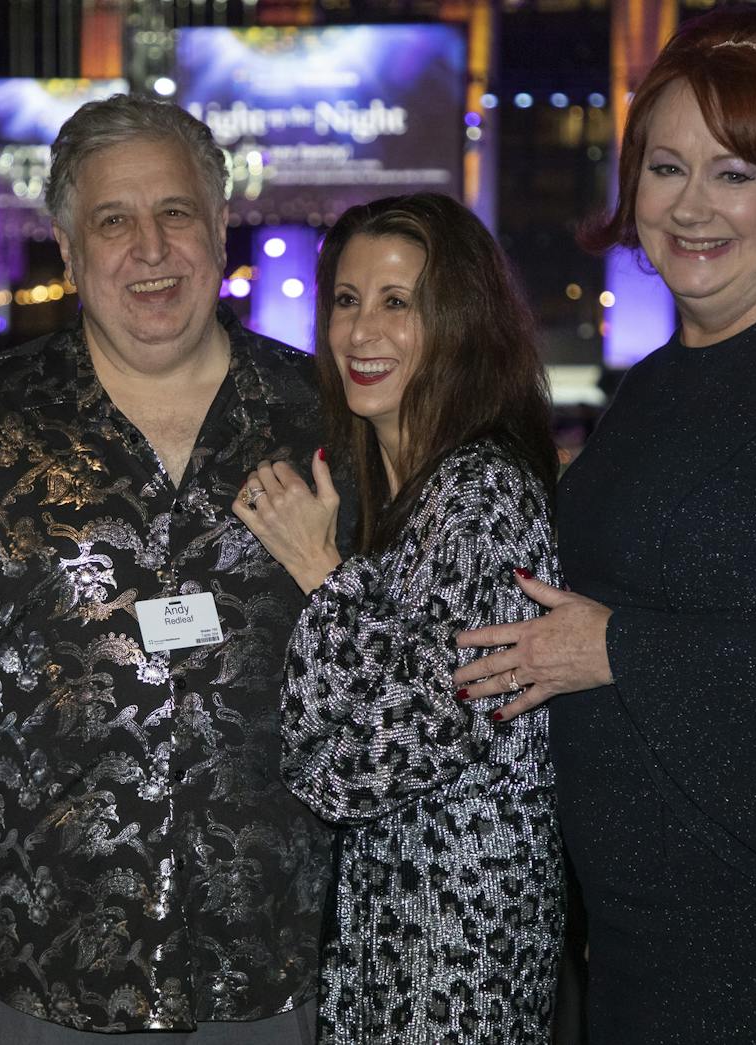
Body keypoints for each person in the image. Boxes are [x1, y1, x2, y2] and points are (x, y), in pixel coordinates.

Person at [453, 10, 756, 1042]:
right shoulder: (663, 378)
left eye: (734, 172)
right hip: (651, 923)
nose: (689, 206)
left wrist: (614, 644)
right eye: (666, 168)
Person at [0, 94, 335, 1043]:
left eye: (175, 214)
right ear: (71, 252)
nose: (150, 249)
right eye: (114, 221)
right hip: (40, 964)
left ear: (218, 229)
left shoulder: (323, 414)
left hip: (284, 962)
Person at [232, 192, 563, 1043]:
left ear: (457, 322)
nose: (360, 332)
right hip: (390, 942)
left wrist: (318, 569)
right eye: (346, 300)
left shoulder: (482, 495)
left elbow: (355, 770)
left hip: (452, 962)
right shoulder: (400, 493)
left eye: (396, 303)